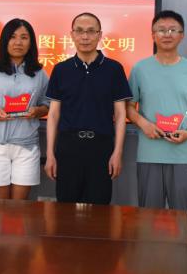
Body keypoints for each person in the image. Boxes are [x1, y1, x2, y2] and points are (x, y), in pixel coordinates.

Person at [126, 10, 187, 216]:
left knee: (184, 218)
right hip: (149, 154)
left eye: (173, 30)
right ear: (152, 35)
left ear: (182, 35)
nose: (167, 34)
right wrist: (144, 124)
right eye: (161, 30)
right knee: (147, 219)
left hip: (183, 155)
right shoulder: (140, 69)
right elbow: (129, 107)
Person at [44, 12, 131, 204]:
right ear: (72, 34)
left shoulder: (114, 69)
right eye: (80, 31)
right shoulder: (61, 69)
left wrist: (117, 153)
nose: (85, 36)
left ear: (100, 35)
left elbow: (120, 114)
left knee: (99, 209)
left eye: (91, 31)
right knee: (65, 208)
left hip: (101, 147)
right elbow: (53, 115)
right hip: (68, 147)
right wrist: (50, 154)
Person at [0, 18, 49, 200]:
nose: (18, 42)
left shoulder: (40, 73)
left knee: (19, 206)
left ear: (31, 43)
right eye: (12, 37)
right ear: (5, 41)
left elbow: (47, 105)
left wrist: (37, 111)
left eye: (24, 37)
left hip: (27, 145)